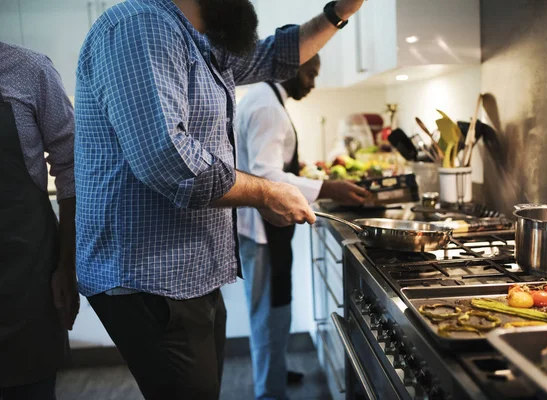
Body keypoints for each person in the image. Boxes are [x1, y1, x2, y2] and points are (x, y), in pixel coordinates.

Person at [74, 0, 365, 398]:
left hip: (190, 272)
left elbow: (275, 55)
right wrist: (264, 193)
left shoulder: (200, 41)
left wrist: (338, 12)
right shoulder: (141, 26)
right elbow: (168, 160)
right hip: (149, 276)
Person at [235, 54, 369, 399]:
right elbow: (266, 176)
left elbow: (268, 165)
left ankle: (274, 373)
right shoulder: (267, 106)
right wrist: (328, 188)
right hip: (261, 230)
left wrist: (305, 176)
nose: (312, 83)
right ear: (291, 67)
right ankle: (269, 391)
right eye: (310, 74)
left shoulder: (266, 98)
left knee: (275, 306)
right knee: (268, 312)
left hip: (264, 227)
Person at [0, 42, 79, 400]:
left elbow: (72, 167)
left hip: (24, 274)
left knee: (29, 387)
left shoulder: (29, 71)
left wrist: (68, 266)